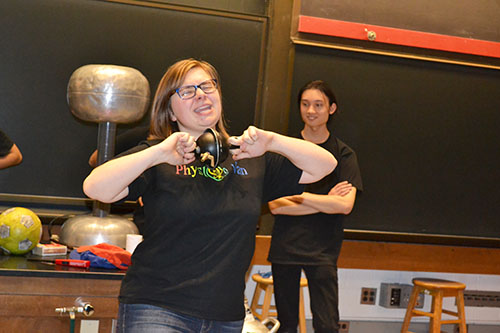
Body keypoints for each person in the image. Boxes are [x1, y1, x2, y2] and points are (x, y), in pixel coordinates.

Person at [82, 59, 337, 333]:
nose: (201, 94)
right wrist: (157, 153)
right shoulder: (158, 157)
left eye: (206, 85)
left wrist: (273, 141)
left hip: (225, 316)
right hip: (157, 308)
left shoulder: (249, 155)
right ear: (170, 111)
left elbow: (325, 166)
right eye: (187, 90)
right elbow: (95, 188)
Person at [268, 80, 363, 333]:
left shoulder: (343, 155)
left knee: (327, 325)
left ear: (331, 109)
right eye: (305, 104)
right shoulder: (286, 150)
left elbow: (345, 205)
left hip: (323, 250)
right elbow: (276, 206)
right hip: (285, 248)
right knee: (286, 326)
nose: (311, 110)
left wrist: (299, 196)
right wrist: (325, 200)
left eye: (318, 105)